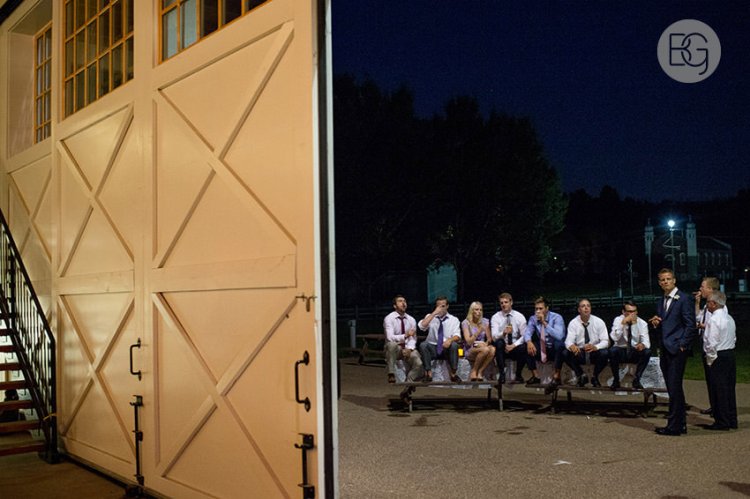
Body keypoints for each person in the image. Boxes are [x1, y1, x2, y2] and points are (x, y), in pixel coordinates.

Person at [649, 268, 697, 436]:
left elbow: (690, 324)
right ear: (659, 283)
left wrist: (683, 344)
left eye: (668, 279)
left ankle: (673, 426)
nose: (666, 282)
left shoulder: (684, 299)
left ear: (674, 280)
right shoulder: (661, 301)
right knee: (672, 387)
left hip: (677, 349)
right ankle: (680, 423)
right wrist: (657, 323)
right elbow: (666, 323)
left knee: (674, 386)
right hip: (665, 348)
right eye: (662, 280)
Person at [702, 291, 737, 430]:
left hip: (719, 356)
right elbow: (734, 337)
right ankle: (732, 419)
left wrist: (710, 359)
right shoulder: (729, 318)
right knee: (729, 389)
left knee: (718, 390)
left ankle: (722, 421)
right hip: (730, 354)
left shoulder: (714, 320)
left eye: (708, 302)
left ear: (714, 304)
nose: (707, 305)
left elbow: (711, 342)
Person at [562, 299, 610, 387]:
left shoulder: (599, 322)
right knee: (565, 353)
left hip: (594, 351)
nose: (586, 308)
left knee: (605, 353)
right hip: (580, 351)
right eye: (583, 306)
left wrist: (595, 347)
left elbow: (605, 341)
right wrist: (572, 346)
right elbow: (568, 341)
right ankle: (581, 375)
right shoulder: (573, 323)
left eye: (588, 306)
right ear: (579, 310)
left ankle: (595, 376)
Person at [693, 277, 722, 415]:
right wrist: (697, 303)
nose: (700, 289)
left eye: (702, 287)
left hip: (714, 349)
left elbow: (717, 325)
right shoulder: (707, 305)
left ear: (710, 289)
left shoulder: (718, 305)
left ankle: (719, 408)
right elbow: (699, 318)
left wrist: (703, 326)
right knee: (710, 380)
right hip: (705, 345)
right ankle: (714, 405)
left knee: (716, 380)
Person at [523, 297, 566, 389]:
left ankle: (557, 376)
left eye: (540, 308)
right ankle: (536, 376)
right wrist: (529, 342)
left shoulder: (556, 318)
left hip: (554, 348)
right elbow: (527, 333)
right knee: (526, 346)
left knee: (559, 345)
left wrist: (544, 323)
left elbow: (559, 336)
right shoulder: (533, 318)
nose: (538, 311)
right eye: (536, 309)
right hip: (543, 347)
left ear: (547, 308)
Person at [609, 300, 651, 390]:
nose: (632, 314)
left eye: (634, 311)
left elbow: (647, 343)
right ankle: (616, 380)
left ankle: (637, 379)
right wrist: (623, 323)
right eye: (629, 311)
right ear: (623, 312)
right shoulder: (618, 320)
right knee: (612, 351)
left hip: (634, 350)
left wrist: (642, 345)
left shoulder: (642, 323)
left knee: (647, 352)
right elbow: (614, 338)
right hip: (621, 350)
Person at [418, 296, 461, 382]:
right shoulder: (430, 316)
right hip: (433, 347)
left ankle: (453, 374)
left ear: (447, 306)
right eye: (438, 306)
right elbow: (422, 327)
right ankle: (428, 374)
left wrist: (450, 340)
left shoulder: (454, 319)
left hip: (446, 348)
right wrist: (434, 313)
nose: (440, 308)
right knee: (423, 345)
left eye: (443, 306)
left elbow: (457, 336)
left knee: (454, 345)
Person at [383, 295, 423, 383]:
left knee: (418, 363)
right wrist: (405, 336)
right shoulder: (389, 318)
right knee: (392, 344)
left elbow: (413, 338)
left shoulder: (411, 319)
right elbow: (390, 337)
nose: (403, 303)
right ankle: (391, 373)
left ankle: (409, 381)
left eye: (404, 301)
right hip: (395, 349)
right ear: (395, 306)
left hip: (407, 348)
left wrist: (410, 349)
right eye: (400, 301)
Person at [490, 293, 529, 384]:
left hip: (515, 346)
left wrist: (513, 345)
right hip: (502, 347)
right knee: (499, 342)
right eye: (501, 303)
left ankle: (518, 374)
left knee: (524, 346)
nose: (503, 304)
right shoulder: (496, 317)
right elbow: (494, 336)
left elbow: (525, 335)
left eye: (506, 302)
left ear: (511, 302)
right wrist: (503, 333)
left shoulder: (519, 316)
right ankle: (502, 374)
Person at [461, 302, 496, 381]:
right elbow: (468, 342)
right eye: (476, 309)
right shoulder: (466, 323)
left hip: (483, 346)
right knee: (485, 349)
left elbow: (489, 339)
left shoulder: (485, 322)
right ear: (472, 311)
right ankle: (474, 371)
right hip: (470, 348)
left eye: (480, 310)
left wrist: (485, 344)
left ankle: (480, 371)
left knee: (493, 349)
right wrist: (478, 331)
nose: (479, 312)